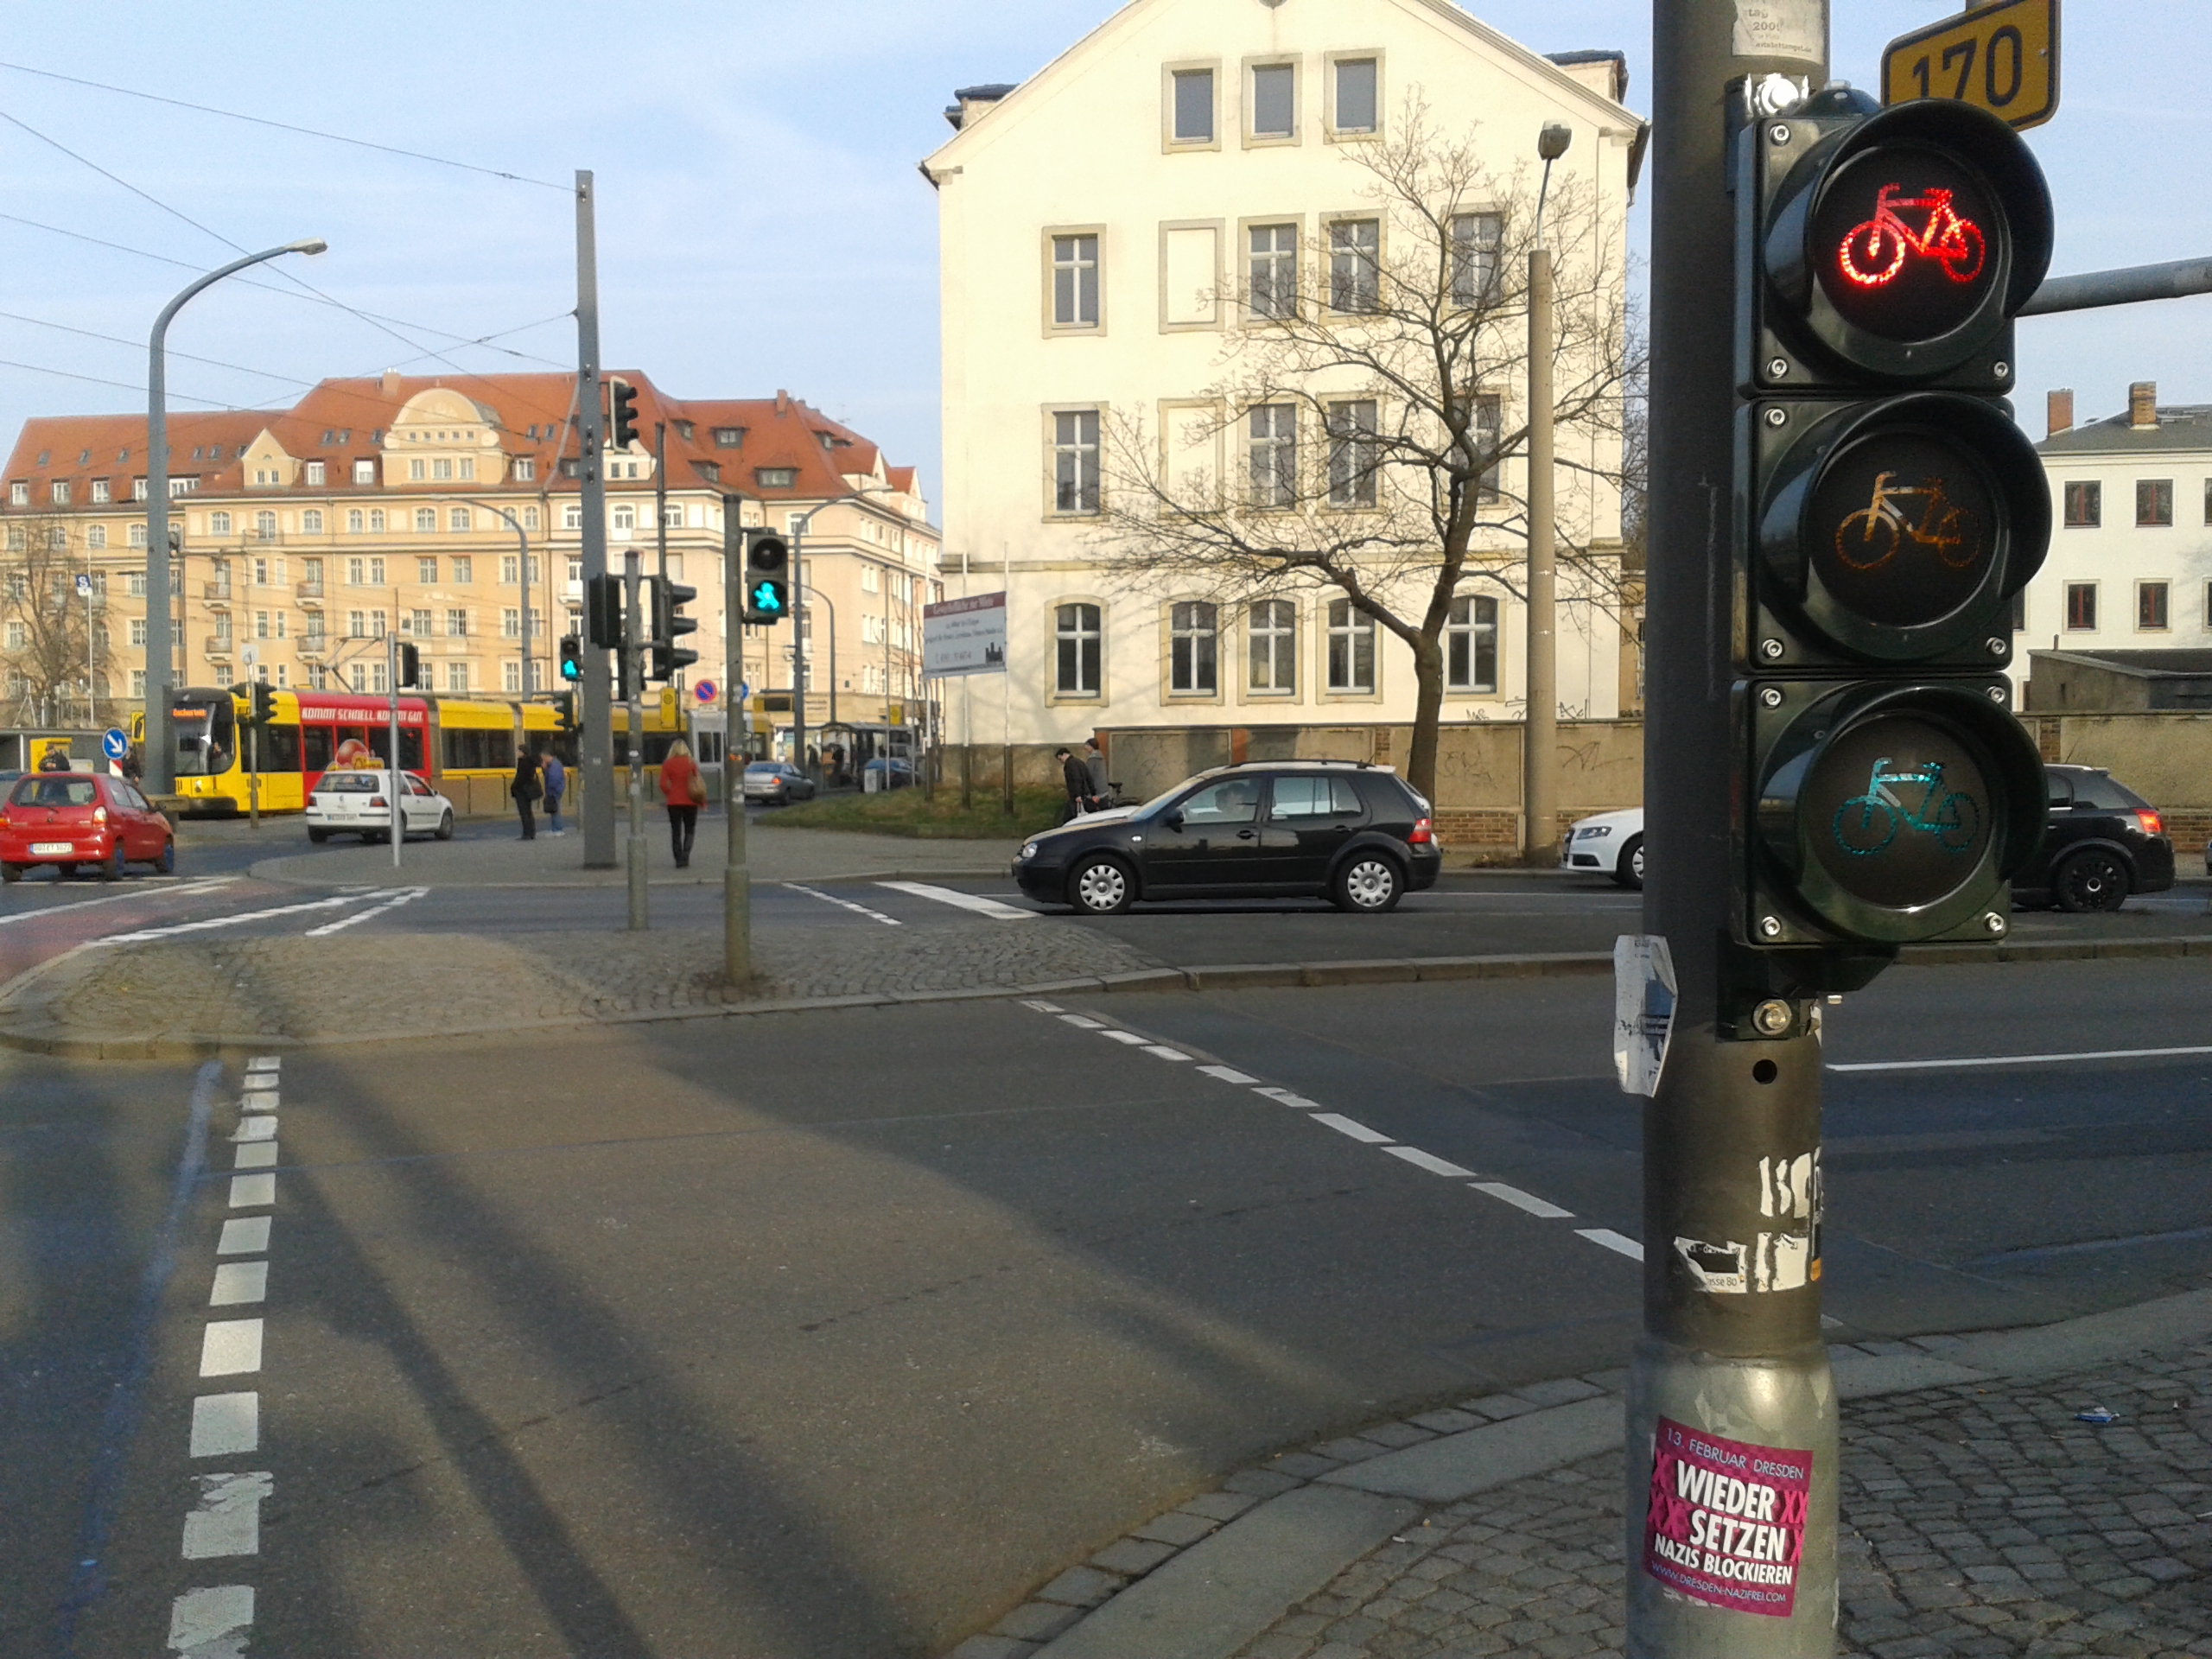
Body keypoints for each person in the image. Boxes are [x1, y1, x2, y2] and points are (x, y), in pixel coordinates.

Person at [658, 737, 704, 868]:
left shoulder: (668, 764)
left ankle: (678, 859)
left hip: (673, 802)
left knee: (676, 831)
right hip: (690, 801)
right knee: (690, 830)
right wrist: (702, 802)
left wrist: (670, 793)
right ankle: (686, 855)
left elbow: (662, 784)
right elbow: (698, 784)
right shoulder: (691, 763)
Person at [511, 749, 542, 841]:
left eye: (519, 751)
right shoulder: (531, 762)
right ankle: (531, 832)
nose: (517, 753)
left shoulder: (523, 763)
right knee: (528, 812)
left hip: (522, 791)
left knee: (524, 812)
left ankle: (526, 833)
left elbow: (520, 778)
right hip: (528, 791)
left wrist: (514, 787)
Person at [1058, 746, 1091, 823]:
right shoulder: (1079, 762)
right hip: (1083, 793)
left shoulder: (1070, 764)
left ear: (1064, 755)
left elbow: (1076, 779)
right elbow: (1087, 777)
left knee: (1069, 818)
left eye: (1060, 759)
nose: (1061, 761)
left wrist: (1078, 795)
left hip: (1076, 795)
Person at [540, 748, 566, 836]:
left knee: (555, 810)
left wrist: (550, 789)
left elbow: (553, 778)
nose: (542, 761)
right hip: (554, 790)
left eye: (543, 758)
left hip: (554, 790)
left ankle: (557, 829)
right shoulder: (552, 765)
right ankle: (555, 828)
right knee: (553, 809)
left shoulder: (554, 765)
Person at [1084, 736, 1109, 807]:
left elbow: (1089, 775)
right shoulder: (1101, 757)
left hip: (1096, 791)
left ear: (1092, 746)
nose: (1085, 747)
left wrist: (1087, 790)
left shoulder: (1092, 760)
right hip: (1103, 789)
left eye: (1087, 745)